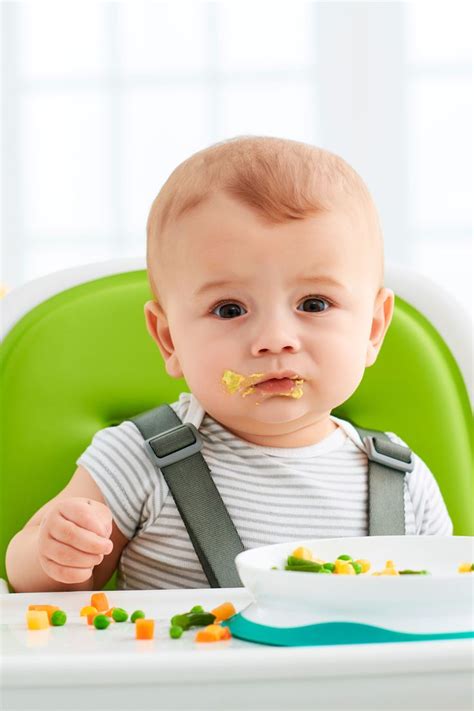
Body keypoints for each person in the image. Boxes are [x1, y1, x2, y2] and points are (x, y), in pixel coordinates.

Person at [5, 136, 452, 593]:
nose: (275, 339)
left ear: (373, 329)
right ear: (169, 338)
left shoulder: (403, 479)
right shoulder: (138, 459)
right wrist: (56, 551)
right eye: (229, 309)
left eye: (314, 303)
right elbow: (36, 590)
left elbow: (445, 616)